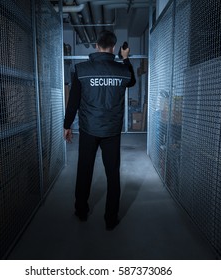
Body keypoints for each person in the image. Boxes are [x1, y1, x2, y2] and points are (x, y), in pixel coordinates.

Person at [63, 30, 136, 231]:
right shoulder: (122, 71)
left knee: (84, 171)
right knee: (113, 174)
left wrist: (67, 125)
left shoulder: (81, 69)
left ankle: (81, 211)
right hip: (111, 131)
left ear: (96, 46)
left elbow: (74, 101)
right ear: (113, 47)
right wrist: (126, 59)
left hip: (88, 129)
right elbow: (132, 81)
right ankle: (111, 219)